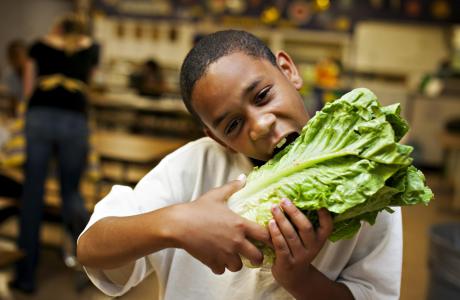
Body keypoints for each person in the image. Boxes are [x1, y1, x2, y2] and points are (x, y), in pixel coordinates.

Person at [77, 30, 402, 299]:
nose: (260, 124)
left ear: (288, 70)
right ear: (216, 137)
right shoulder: (193, 165)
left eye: (262, 96)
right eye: (232, 125)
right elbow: (91, 248)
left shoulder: (364, 175)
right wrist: (176, 223)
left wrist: (299, 279)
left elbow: (372, 293)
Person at [10, 13, 99, 293]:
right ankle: (95, 262)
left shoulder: (38, 45)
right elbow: (89, 88)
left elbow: (28, 88)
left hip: (40, 118)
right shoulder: (91, 48)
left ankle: (26, 277)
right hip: (74, 122)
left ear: (57, 28)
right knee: (70, 194)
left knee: (32, 196)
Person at [1, 40, 28, 116]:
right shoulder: (8, 74)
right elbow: (9, 100)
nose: (20, 61)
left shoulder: (34, 72)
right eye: (16, 57)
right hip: (16, 115)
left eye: (23, 56)